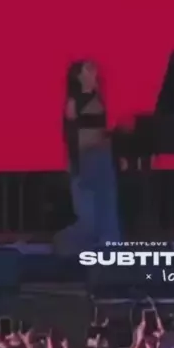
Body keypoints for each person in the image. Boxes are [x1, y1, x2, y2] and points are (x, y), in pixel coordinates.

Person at [56, 60, 121, 254]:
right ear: (79, 76)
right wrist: (74, 162)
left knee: (107, 207)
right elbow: (70, 133)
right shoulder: (74, 102)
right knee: (88, 214)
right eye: (88, 69)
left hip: (103, 156)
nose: (94, 71)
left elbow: (105, 129)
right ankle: (68, 245)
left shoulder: (100, 98)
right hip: (85, 157)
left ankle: (110, 247)